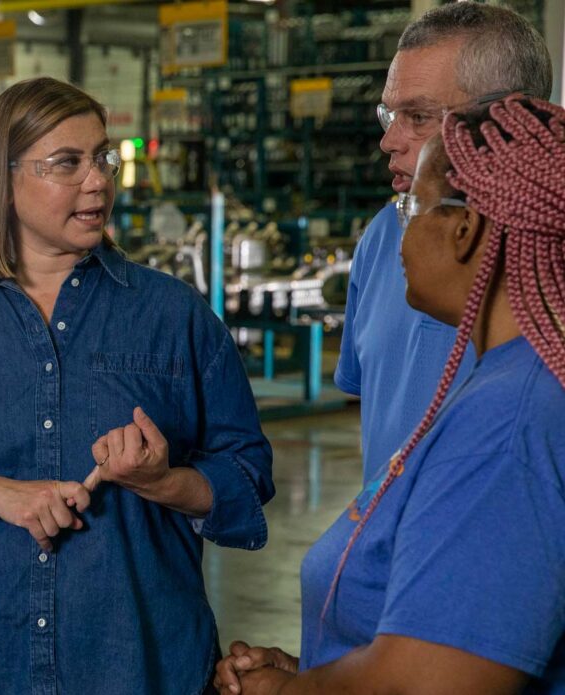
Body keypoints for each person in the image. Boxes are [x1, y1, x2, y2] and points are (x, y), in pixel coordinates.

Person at [0, 76, 274, 695]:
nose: (98, 180)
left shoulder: (175, 318)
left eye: (103, 157)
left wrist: (164, 482)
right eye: (67, 163)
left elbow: (247, 476)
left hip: (135, 663)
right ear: (4, 182)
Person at [215, 95, 565, 694]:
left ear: (464, 228)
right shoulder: (515, 379)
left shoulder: (509, 421)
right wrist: (321, 674)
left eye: (411, 208)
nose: (396, 229)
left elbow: (430, 685)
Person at [335, 2, 553, 483]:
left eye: (417, 116)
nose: (389, 140)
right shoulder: (381, 238)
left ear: (505, 117)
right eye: (388, 114)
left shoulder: (547, 253)